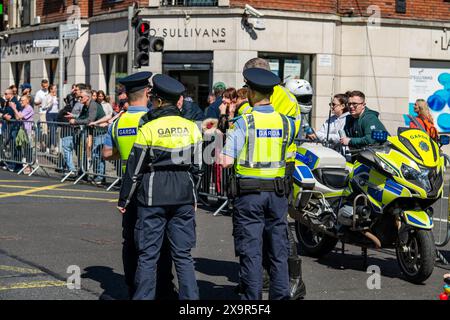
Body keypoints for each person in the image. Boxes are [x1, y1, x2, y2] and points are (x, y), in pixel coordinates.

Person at [118, 74, 202, 300]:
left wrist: (124, 200)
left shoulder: (149, 128)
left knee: (148, 256)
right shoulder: (192, 127)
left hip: (153, 195)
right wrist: (192, 194)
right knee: (183, 255)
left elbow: (134, 170)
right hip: (183, 195)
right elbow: (198, 168)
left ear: (159, 101)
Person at [219, 68, 295, 300]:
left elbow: (225, 161)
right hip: (278, 194)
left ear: (251, 92)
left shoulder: (244, 122)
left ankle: (252, 301)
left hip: (249, 194)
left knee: (251, 251)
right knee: (278, 251)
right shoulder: (287, 122)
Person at [243, 57, 305, 300]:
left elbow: (246, 124)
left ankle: (293, 280)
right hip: (277, 167)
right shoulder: (284, 97)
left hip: (275, 168)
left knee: (277, 226)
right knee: (273, 225)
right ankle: (269, 277)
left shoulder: (267, 99)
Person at [44, 84, 60, 153]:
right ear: (51, 89)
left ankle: (48, 147)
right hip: (49, 114)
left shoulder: (56, 96)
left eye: (56, 88)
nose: (56, 90)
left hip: (56, 114)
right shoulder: (47, 96)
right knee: (52, 130)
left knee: (54, 131)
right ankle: (55, 146)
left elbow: (58, 106)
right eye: (54, 88)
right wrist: (51, 102)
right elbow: (44, 106)